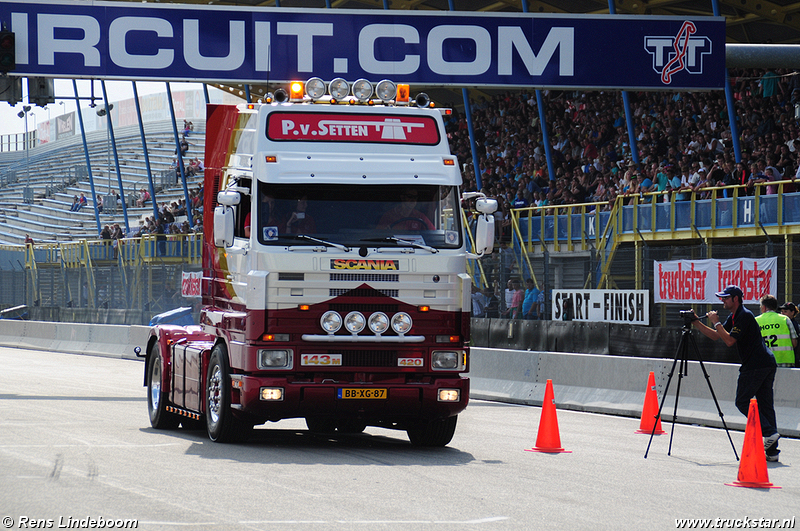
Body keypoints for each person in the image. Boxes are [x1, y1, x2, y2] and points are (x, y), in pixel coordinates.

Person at [691, 285, 781, 462]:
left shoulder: (744, 315)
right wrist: (696, 322)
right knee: (765, 404)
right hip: (765, 363)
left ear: (736, 299)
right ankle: (772, 451)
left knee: (741, 401)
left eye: (725, 298)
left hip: (756, 364)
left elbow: (730, 341)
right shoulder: (734, 316)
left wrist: (716, 321)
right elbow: (718, 336)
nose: (722, 301)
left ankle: (769, 433)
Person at [756, 296, 799, 367]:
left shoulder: (756, 321)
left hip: (763, 361)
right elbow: (794, 343)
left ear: (764, 307)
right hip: (785, 360)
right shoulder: (785, 319)